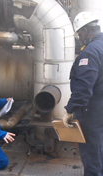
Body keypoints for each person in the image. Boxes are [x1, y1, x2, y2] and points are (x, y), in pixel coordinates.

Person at [63, 11, 103, 176]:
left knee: (91, 153)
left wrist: (70, 109)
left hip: (92, 112)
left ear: (86, 31)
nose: (79, 37)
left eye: (79, 33)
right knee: (100, 148)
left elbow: (84, 87)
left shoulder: (90, 53)